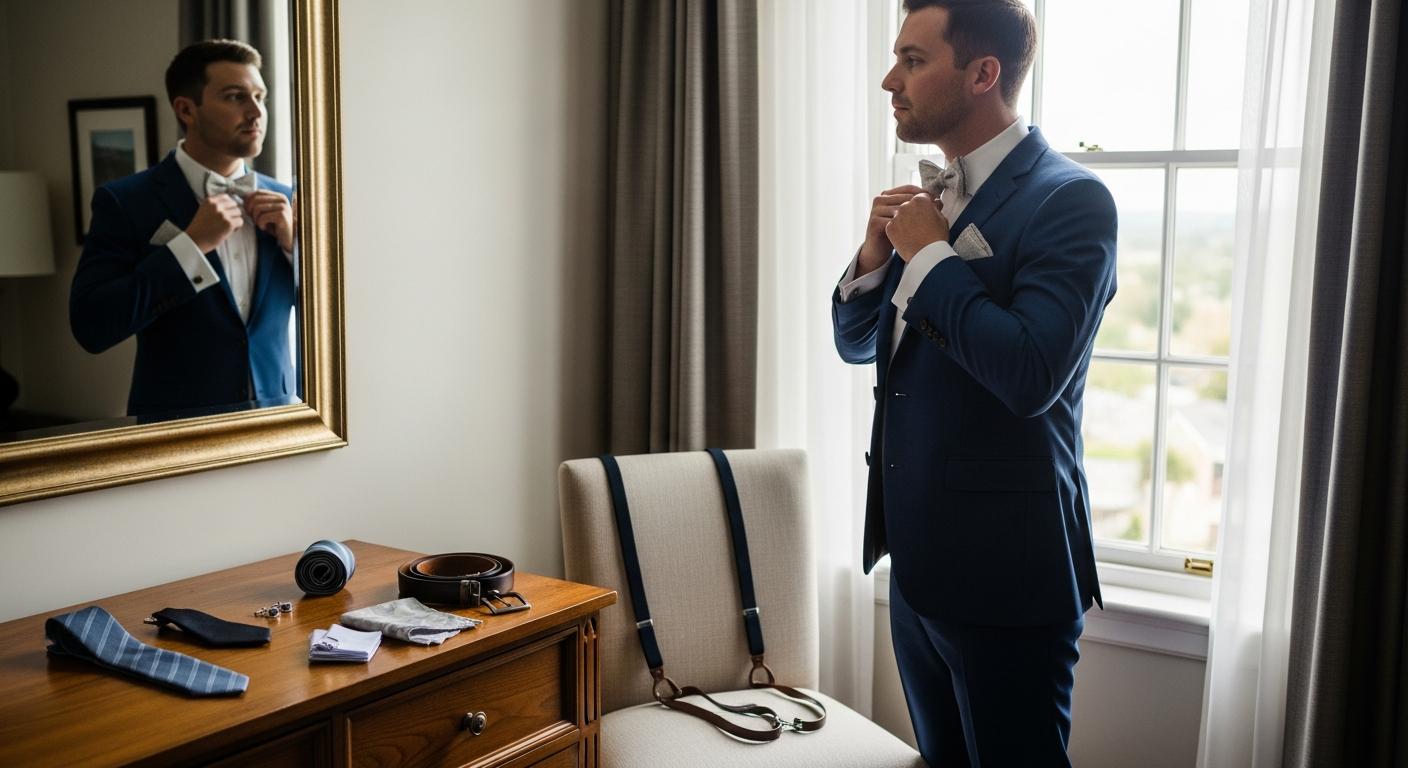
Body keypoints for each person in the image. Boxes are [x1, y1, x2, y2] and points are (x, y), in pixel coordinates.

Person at [831, 1, 1118, 764]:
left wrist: (929, 258)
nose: (890, 80)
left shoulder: (1072, 201)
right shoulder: (926, 205)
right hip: (916, 575)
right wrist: (872, 261)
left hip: (1009, 583)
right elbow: (861, 348)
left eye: (914, 60)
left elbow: (1028, 376)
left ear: (983, 73)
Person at [70, 39, 297, 417]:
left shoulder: (289, 200)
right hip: (174, 436)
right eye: (235, 97)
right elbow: (92, 326)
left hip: (279, 426)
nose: (257, 112)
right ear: (186, 109)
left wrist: (294, 248)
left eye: (261, 96)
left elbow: (344, 316)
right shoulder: (125, 202)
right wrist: (190, 246)